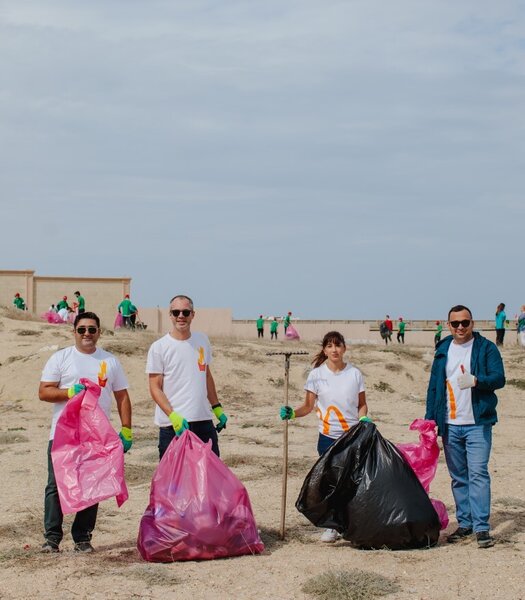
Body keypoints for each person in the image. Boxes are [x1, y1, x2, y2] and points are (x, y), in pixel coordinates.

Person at [38, 311, 133, 554]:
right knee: (56, 485)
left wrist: (127, 430)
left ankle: (82, 538)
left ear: (99, 332)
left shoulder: (110, 362)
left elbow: (122, 397)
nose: (87, 334)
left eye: (92, 329)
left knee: (93, 485)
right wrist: (68, 392)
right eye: (82, 330)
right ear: (74, 332)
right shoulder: (61, 358)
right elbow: (44, 392)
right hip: (63, 436)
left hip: (96, 437)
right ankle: (51, 539)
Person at [425, 305, 505, 549]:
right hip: (450, 424)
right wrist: (430, 419)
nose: (460, 327)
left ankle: (482, 528)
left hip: (477, 423)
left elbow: (499, 379)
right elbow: (434, 387)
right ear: (448, 325)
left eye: (465, 322)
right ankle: (466, 523)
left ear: (472, 323)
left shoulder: (486, 348)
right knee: (459, 477)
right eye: (455, 323)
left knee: (478, 474)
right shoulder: (443, 348)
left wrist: (478, 381)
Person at [280, 331, 369, 543]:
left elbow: (362, 404)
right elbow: (308, 406)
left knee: (350, 481)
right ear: (324, 350)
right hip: (328, 436)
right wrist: (292, 413)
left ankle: (349, 524)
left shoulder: (354, 374)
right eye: (329, 346)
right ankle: (332, 526)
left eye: (338, 345)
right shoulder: (316, 375)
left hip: (352, 436)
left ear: (344, 348)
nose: (334, 350)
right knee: (330, 482)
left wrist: (364, 419)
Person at [146, 294, 228, 460]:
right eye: (176, 312)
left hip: (203, 421)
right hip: (173, 426)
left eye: (185, 312)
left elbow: (206, 376)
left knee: (209, 478)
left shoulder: (202, 340)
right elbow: (155, 387)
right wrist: (172, 415)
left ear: (193, 314)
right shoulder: (159, 347)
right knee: (173, 483)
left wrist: (217, 407)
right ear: (170, 315)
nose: (181, 316)